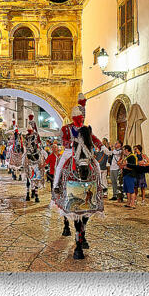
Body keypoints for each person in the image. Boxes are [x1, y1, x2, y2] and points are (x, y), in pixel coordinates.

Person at [52, 93, 105, 259]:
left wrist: (101, 145)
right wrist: (73, 142)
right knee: (60, 166)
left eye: (81, 117)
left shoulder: (86, 128)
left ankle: (100, 186)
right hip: (71, 151)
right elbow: (63, 141)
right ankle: (57, 185)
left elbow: (93, 138)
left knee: (96, 165)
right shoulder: (66, 128)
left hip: (84, 153)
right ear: (74, 117)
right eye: (78, 117)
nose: (80, 119)